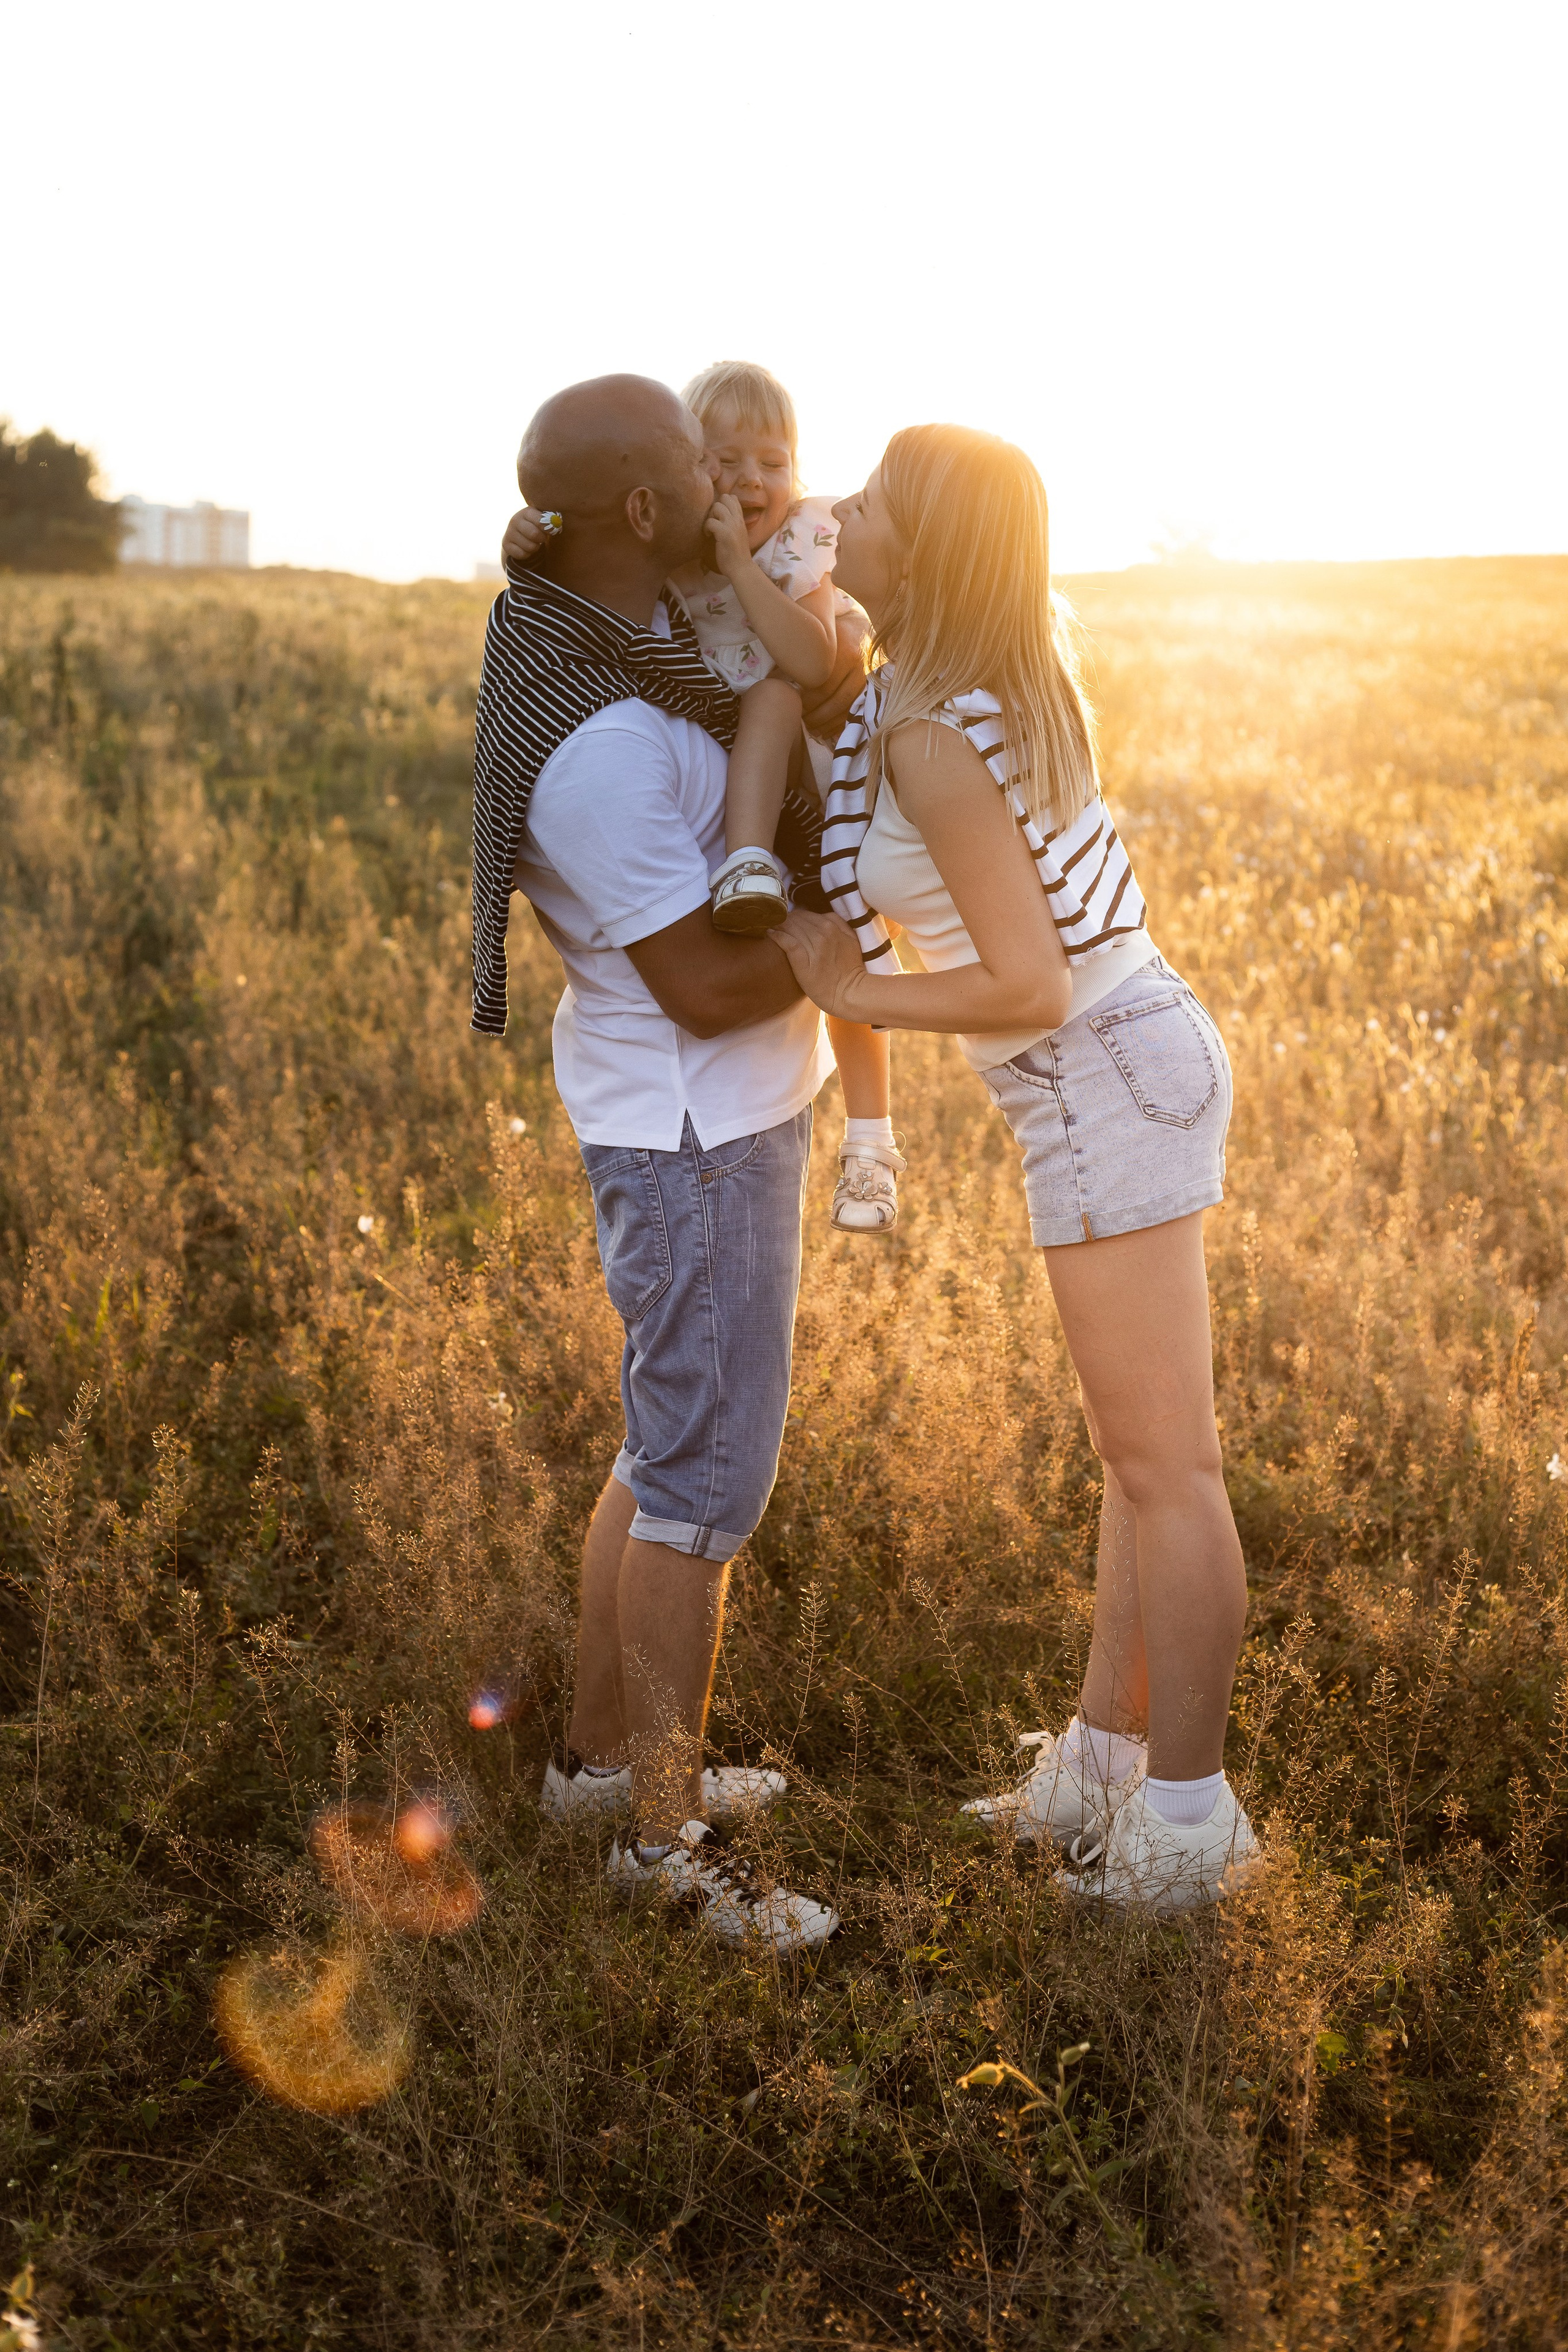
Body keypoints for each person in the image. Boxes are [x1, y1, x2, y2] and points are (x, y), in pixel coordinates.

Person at [774, 424, 1257, 1915]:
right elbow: (792, 640)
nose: (835, 507)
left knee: (1167, 1470)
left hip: (1094, 1058)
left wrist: (854, 997)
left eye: (867, 502)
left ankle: (1190, 1824)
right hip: (1113, 1059)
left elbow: (1029, 983)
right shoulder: (939, 684)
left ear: (925, 550)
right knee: (1136, 1457)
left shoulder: (930, 728)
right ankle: (1104, 1762)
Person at [472, 372, 850, 1953]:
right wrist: (852, 938)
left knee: (656, 1450)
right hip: (695, 1135)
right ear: (645, 509)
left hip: (701, 1115)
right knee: (703, 1484)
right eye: (696, 470)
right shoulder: (603, 743)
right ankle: (662, 1849)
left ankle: (587, 1764)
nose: (722, 481)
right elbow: (699, 979)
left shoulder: (625, 663)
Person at [502, 361, 905, 1237]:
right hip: (685, 1115)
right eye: (717, 461)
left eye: (774, 460)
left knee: (860, 922)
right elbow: (581, 531)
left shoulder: (797, 542)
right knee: (848, 922)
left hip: (811, 745)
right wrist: (526, 534)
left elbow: (809, 666)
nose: (748, 480)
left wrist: (746, 570)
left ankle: (871, 1136)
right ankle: (752, 863)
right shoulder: (655, 570)